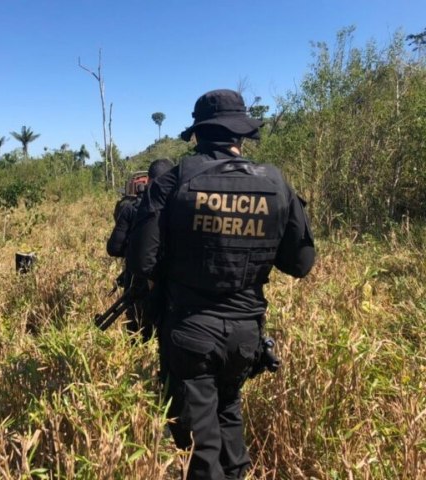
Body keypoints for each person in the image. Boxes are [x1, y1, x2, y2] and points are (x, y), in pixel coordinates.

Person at [127, 89, 315, 479]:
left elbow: (142, 261)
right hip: (246, 336)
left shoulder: (174, 180)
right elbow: (300, 263)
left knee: (199, 448)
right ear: (240, 136)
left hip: (189, 333)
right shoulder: (276, 183)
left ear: (197, 134)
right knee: (228, 414)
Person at [106, 159, 174, 341]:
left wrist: (135, 247)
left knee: (136, 335)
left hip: (137, 283)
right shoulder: (180, 208)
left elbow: (114, 248)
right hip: (172, 288)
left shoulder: (132, 209)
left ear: (149, 181)